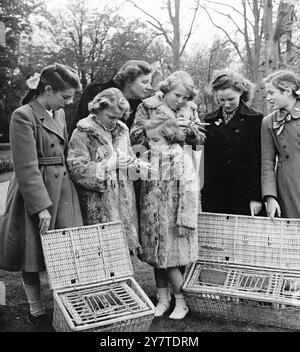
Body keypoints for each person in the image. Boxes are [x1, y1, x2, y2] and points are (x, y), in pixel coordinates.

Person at [0, 63, 83, 330]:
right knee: (32, 252)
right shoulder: (22, 116)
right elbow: (26, 166)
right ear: (48, 89)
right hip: (34, 193)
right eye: (65, 96)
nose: (69, 103)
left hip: (63, 190)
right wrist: (41, 207)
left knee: (66, 251)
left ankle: (67, 306)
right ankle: (36, 311)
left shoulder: (57, 113)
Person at [67, 88, 144, 254]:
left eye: (118, 117)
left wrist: (132, 164)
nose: (114, 121)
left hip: (124, 204)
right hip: (98, 206)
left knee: (122, 255)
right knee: (100, 256)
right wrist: (107, 166)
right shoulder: (82, 133)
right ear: (97, 108)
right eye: (110, 117)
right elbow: (76, 169)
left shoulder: (122, 130)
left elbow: (129, 157)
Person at [139, 116, 199, 320]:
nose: (151, 144)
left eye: (156, 140)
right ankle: (163, 299)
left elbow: (189, 191)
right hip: (153, 221)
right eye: (149, 140)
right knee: (157, 262)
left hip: (172, 221)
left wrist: (185, 220)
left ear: (170, 137)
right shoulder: (148, 158)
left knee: (172, 262)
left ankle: (181, 300)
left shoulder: (181, 158)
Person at [201, 70, 264, 216]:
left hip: (244, 193)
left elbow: (258, 161)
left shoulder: (255, 120)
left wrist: (255, 197)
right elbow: (204, 160)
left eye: (231, 99)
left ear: (241, 92)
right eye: (221, 100)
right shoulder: (207, 120)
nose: (226, 104)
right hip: (215, 193)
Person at [69, 60, 152, 134]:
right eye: (145, 82)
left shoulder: (140, 107)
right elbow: (79, 127)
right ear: (129, 80)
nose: (149, 87)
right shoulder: (95, 92)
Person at [130, 70, 206, 149]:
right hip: (156, 158)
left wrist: (191, 133)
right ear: (167, 89)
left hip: (185, 158)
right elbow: (135, 140)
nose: (180, 101)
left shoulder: (191, 108)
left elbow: (200, 142)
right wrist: (167, 130)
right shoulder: (148, 107)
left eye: (185, 98)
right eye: (177, 95)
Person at [261, 70, 300, 219]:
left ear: (288, 91)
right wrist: (270, 197)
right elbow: (266, 163)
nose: (268, 98)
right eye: (267, 94)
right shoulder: (268, 122)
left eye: (272, 93)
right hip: (287, 186)